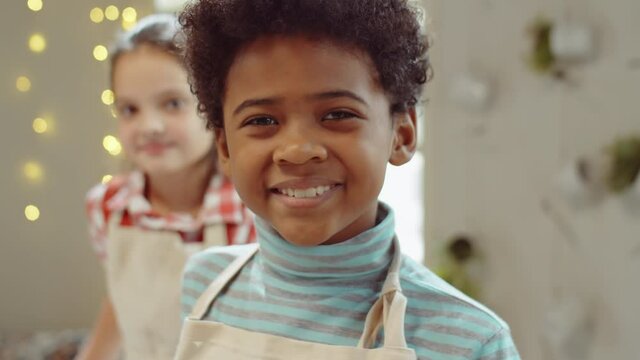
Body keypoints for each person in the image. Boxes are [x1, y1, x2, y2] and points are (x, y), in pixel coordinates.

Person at [175, 0, 521, 359]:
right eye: (262, 121)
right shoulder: (204, 284)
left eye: (337, 114)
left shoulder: (469, 340)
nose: (297, 150)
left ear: (401, 134)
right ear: (225, 148)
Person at [76, 14, 254, 359]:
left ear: (213, 107)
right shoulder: (107, 208)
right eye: (130, 109)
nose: (150, 126)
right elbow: (120, 302)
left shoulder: (250, 207)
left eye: (172, 103)